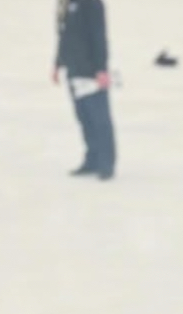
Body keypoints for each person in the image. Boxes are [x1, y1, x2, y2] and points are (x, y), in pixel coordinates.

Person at [52, 0, 116, 180]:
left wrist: (101, 69)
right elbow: (64, 35)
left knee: (99, 119)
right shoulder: (66, 4)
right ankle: (92, 159)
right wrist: (57, 63)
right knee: (84, 118)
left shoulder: (92, 3)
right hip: (73, 69)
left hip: (91, 71)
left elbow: (99, 36)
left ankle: (106, 163)